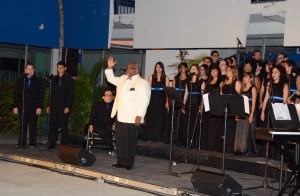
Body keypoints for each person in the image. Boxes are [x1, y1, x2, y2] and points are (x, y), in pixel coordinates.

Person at [105, 57, 151, 170]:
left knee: (129, 141)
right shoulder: (122, 78)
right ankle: (120, 161)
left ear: (137, 70)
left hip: (132, 117)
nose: (129, 70)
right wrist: (110, 68)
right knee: (120, 140)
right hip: (120, 115)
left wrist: (139, 115)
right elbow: (111, 79)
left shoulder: (142, 82)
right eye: (128, 68)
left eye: (132, 68)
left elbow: (144, 100)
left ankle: (128, 163)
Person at [13, 63, 44, 148]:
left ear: (34, 71)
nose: (29, 71)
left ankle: (32, 143)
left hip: (34, 108)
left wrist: (40, 107)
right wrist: (15, 106)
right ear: (25, 70)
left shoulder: (38, 81)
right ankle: (21, 143)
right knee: (23, 126)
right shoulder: (20, 80)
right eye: (28, 69)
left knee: (33, 126)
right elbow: (16, 95)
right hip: (22, 107)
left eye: (31, 69)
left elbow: (41, 96)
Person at [46, 61, 74, 149]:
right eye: (58, 67)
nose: (60, 69)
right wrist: (48, 105)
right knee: (52, 125)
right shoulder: (54, 79)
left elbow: (70, 94)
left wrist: (68, 106)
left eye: (61, 67)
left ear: (65, 68)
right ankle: (52, 143)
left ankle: (64, 144)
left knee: (63, 126)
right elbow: (50, 93)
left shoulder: (69, 79)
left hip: (63, 106)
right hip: (54, 106)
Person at [143, 62, 169, 143]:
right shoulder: (151, 77)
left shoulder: (166, 78)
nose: (158, 69)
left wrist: (167, 102)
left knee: (160, 119)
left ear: (162, 68)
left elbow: (167, 92)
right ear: (155, 68)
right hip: (152, 100)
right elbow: (148, 90)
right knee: (151, 118)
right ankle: (150, 137)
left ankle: (159, 137)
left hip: (161, 100)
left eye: (160, 67)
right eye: (157, 67)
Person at [234, 73, 257, 156]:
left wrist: (251, 115)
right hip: (241, 110)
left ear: (251, 78)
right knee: (240, 130)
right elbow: (238, 102)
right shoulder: (242, 88)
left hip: (249, 110)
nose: (244, 78)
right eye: (243, 77)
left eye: (246, 77)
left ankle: (248, 150)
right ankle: (239, 149)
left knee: (247, 130)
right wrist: (237, 114)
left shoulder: (253, 88)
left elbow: (254, 103)